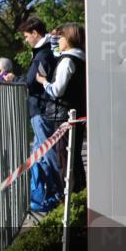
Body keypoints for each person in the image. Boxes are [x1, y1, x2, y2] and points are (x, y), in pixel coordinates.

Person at [16, 17, 63, 213]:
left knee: (46, 153)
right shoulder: (44, 52)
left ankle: (57, 193)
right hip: (41, 109)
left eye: (27, 36)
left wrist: (17, 81)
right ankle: (46, 195)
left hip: (41, 110)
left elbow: (31, 81)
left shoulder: (42, 54)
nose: (26, 40)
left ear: (35, 33)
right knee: (39, 154)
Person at [38, 23, 86, 194]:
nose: (58, 41)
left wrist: (43, 82)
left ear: (69, 39)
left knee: (65, 159)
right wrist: (52, 39)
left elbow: (57, 90)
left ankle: (69, 198)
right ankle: (80, 194)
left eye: (61, 37)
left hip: (63, 115)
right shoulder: (80, 58)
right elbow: (56, 51)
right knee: (74, 158)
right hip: (75, 113)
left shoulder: (67, 61)